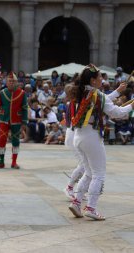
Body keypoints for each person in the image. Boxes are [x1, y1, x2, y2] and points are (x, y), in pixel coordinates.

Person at [68, 64, 134, 221]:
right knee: (99, 174)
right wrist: (131, 105)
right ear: (93, 80)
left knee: (89, 172)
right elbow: (116, 112)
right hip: (91, 136)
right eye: (99, 77)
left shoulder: (82, 91)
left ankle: (77, 203)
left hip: (79, 135)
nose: (102, 79)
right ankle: (91, 207)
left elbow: (101, 101)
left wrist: (117, 91)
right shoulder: (97, 95)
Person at [64, 82, 127, 200]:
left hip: (76, 134)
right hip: (76, 134)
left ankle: (78, 194)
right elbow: (102, 101)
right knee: (87, 167)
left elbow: (102, 100)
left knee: (87, 168)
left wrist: (117, 91)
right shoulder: (78, 101)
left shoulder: (79, 100)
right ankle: (70, 188)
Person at [0, 72, 28, 169]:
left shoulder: (22, 93)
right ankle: (1, 161)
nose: (11, 83)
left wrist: (24, 122)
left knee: (16, 141)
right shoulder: (2, 93)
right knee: (1, 140)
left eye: (13, 81)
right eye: (9, 81)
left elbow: (24, 108)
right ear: (6, 82)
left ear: (17, 82)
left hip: (17, 120)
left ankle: (14, 162)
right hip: (4, 120)